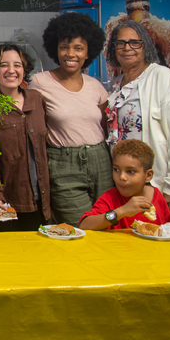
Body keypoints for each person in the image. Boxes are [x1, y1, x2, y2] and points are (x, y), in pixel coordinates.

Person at [28, 12, 112, 226]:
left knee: (107, 225)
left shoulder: (96, 86)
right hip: (63, 164)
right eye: (64, 47)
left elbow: (107, 126)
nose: (70, 54)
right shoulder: (39, 82)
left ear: (87, 52)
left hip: (101, 161)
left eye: (78, 48)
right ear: (55, 49)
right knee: (78, 226)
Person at [104, 20, 170, 219]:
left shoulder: (163, 78)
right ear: (114, 49)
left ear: (146, 46)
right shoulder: (117, 85)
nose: (127, 48)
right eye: (121, 43)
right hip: (128, 185)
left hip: (160, 187)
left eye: (135, 42)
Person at [0, 43, 52, 231]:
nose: (11, 70)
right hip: (7, 201)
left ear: (25, 70)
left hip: (42, 199)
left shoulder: (37, 99)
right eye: (4, 65)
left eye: (17, 65)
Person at [79, 139, 170, 230]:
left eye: (130, 171)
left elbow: (168, 229)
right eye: (116, 170)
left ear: (148, 175)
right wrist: (122, 211)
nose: (122, 177)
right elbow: (84, 225)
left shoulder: (157, 196)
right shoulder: (110, 198)